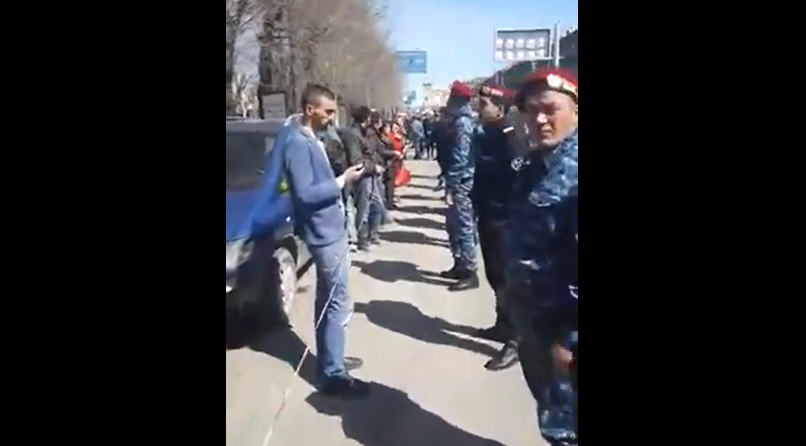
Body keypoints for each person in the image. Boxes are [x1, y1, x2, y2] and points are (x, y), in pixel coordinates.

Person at [279, 83, 370, 398]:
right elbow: (305, 195)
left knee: (329, 299)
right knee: (338, 302)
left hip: (332, 229)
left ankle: (332, 358)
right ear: (310, 109)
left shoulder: (312, 139)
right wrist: (343, 180)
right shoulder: (296, 144)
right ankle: (333, 374)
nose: (332, 118)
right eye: (327, 111)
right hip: (324, 234)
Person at [504, 68, 578, 444]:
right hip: (534, 323)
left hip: (564, 333)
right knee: (550, 416)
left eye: (550, 109)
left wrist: (571, 340)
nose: (540, 120)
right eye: (532, 111)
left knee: (567, 429)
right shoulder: (535, 164)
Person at [470, 83, 521, 371]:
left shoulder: (509, 137)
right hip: (488, 214)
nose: (478, 109)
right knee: (494, 275)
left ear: (499, 108)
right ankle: (502, 324)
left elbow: (517, 181)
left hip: (504, 219)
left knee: (507, 280)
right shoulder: (486, 133)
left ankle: (516, 340)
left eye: (483, 104)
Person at [440, 81, 479, 291]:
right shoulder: (457, 121)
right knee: (453, 225)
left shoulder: (463, 123)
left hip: (463, 183)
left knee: (464, 226)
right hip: (458, 181)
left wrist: (452, 183)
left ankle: (470, 271)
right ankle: (460, 264)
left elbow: (461, 157)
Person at [339, 106, 386, 251]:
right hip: (361, 176)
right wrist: (374, 167)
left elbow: (370, 153)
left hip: (369, 175)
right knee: (363, 209)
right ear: (366, 118)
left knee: (377, 206)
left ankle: (371, 234)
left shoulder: (362, 133)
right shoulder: (353, 135)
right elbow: (356, 160)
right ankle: (362, 238)